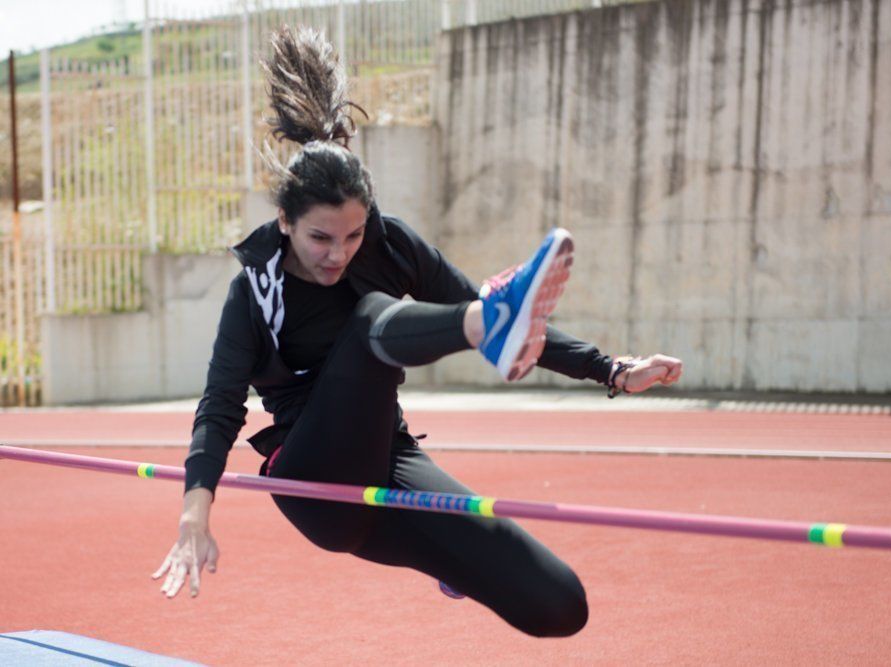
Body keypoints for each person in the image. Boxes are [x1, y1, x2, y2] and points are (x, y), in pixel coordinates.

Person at [152, 26, 683, 638]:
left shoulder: (391, 244)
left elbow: (519, 318)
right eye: (320, 238)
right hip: (315, 483)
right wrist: (196, 513)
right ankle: (490, 322)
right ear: (285, 221)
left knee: (559, 606)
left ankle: (488, 341)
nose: (338, 254)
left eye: (352, 236)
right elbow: (219, 407)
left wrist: (612, 369)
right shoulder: (256, 289)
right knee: (372, 322)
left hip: (390, 462)